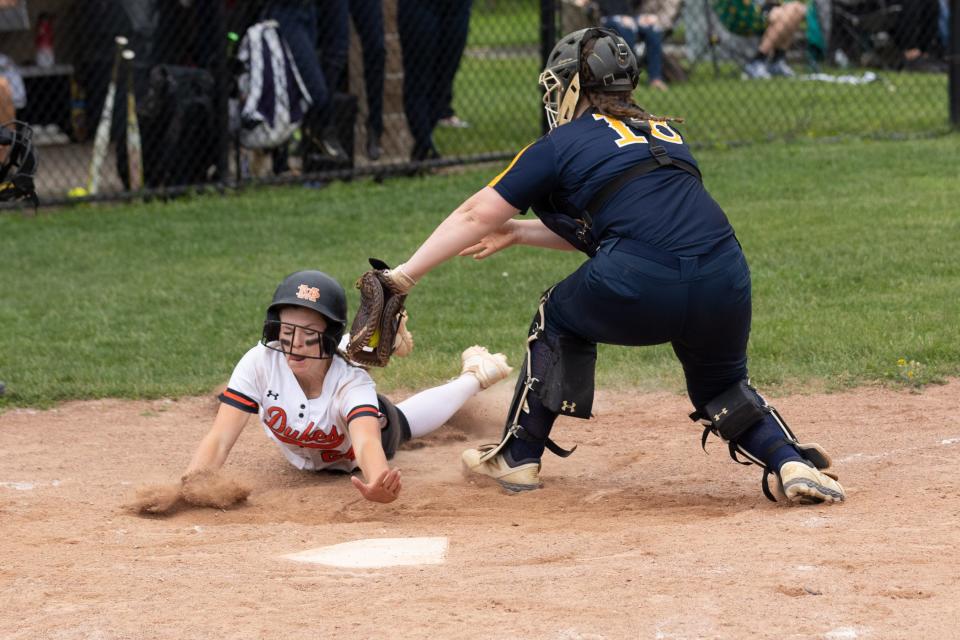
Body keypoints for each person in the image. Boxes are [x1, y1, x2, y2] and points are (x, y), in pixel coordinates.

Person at [370, 28, 845, 505]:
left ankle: (518, 455)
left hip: (642, 280)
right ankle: (789, 460)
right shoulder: (668, 134)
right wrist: (517, 231)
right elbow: (623, 229)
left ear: (575, 87)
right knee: (720, 385)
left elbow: (475, 214)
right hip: (725, 276)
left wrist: (404, 274)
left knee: (556, 315)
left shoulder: (560, 144)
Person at [177, 270, 512, 504]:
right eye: (287, 330)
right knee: (323, 360)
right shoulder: (260, 360)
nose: (294, 343)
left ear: (329, 334)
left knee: (404, 422)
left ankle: (475, 376)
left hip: (365, 434)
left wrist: (378, 482)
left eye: (308, 332)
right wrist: (193, 482)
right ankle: (376, 339)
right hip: (328, 386)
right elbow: (220, 437)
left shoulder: (353, 385)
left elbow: (366, 443)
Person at [397, 0, 473, 162]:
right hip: (420, 6)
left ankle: (423, 147)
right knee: (419, 78)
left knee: (444, 79)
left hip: (457, 7)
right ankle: (424, 144)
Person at [712, 0, 808, 79]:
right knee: (788, 13)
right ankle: (759, 61)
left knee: (797, 8)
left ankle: (774, 61)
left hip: (767, 9)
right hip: (747, 15)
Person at [594, 0, 669, 91]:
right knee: (626, 33)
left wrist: (644, 16)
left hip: (631, 18)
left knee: (653, 32)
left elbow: (637, 6)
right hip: (609, 18)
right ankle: (630, 78)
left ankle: (655, 78)